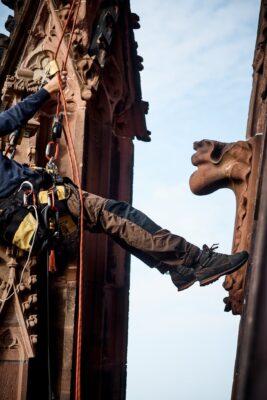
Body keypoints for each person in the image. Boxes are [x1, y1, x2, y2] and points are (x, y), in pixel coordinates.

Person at [0, 72, 248, 291]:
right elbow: (13, 118)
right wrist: (48, 89)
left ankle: (176, 270)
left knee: (112, 223)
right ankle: (196, 260)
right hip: (45, 203)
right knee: (117, 215)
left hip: (35, 223)